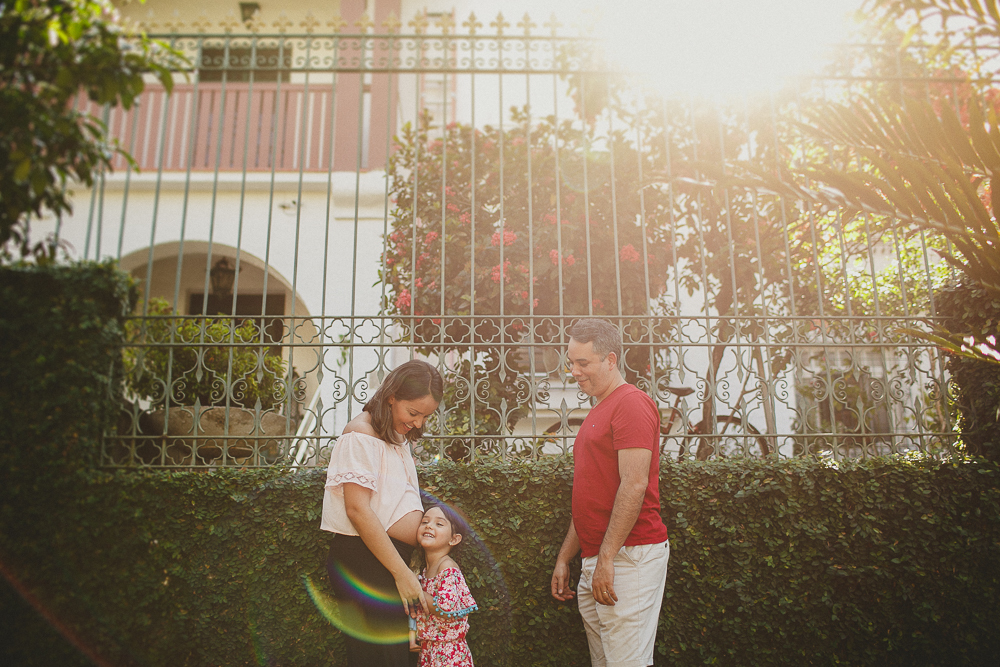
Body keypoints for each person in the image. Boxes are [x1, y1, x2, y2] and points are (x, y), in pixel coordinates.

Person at [550, 318, 670, 667]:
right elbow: (592, 496)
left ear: (611, 359)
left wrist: (605, 559)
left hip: (627, 557)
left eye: (583, 362)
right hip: (600, 557)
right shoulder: (599, 409)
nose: (574, 371)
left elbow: (634, 485)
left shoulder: (631, 404)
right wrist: (564, 557)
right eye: (571, 362)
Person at [322, 359, 444, 666]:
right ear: (391, 396)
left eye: (425, 416)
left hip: (385, 560)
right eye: (413, 413)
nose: (418, 423)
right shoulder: (361, 435)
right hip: (366, 561)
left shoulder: (392, 434)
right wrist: (402, 575)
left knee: (397, 657)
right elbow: (357, 510)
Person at [412, 504, 478, 667]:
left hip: (448, 654)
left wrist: (415, 589)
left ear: (454, 539)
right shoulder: (425, 570)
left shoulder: (447, 567)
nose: (429, 525)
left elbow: (446, 608)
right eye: (425, 521)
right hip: (430, 651)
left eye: (439, 524)